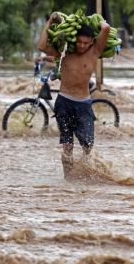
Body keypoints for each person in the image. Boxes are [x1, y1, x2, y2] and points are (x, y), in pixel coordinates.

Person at [37, 12, 110, 180]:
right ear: (74, 40)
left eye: (85, 42)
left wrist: (96, 20)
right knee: (67, 146)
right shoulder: (64, 52)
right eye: (79, 41)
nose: (82, 45)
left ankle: (88, 179)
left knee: (87, 146)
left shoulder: (94, 52)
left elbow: (105, 28)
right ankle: (68, 181)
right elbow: (41, 46)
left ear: (92, 41)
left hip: (84, 104)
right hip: (64, 102)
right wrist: (50, 21)